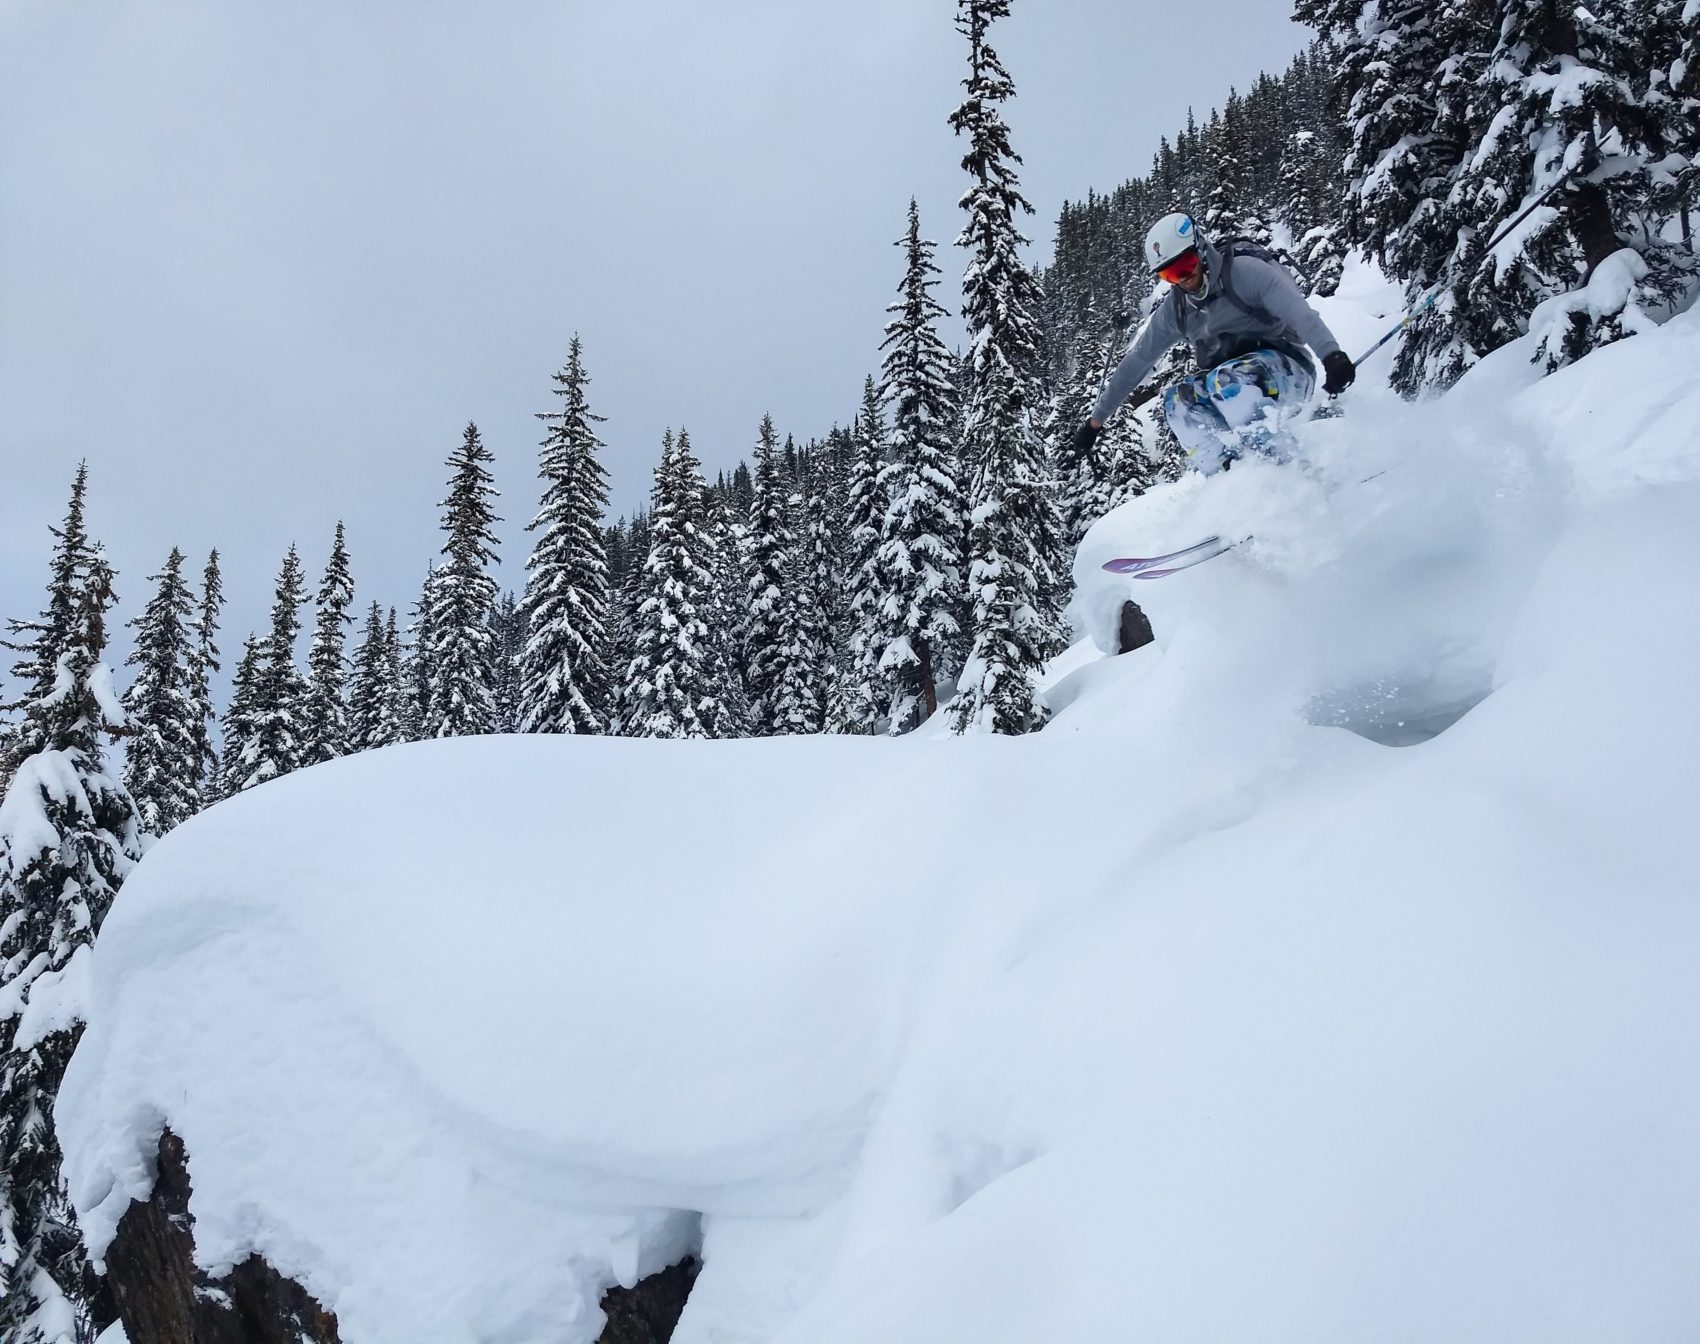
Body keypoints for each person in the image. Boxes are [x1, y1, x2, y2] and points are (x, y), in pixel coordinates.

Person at [1073, 212, 1355, 475]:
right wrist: (1094, 422)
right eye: (1170, 274)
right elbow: (1138, 360)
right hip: (1232, 386)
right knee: (1177, 401)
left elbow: (1298, 312)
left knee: (1227, 380)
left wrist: (1331, 355)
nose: (1183, 278)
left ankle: (1285, 473)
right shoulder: (1178, 308)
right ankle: (1229, 481)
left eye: (1185, 265)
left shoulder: (1244, 273)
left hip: (1289, 370)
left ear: (1201, 248)